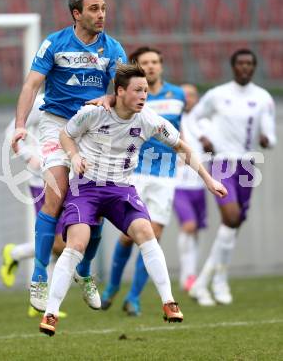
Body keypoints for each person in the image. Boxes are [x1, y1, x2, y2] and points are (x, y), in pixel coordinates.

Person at [39, 64, 227, 336]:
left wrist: (209, 180)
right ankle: (51, 313)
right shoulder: (93, 112)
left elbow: (182, 147)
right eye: (138, 90)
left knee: (145, 233)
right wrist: (75, 156)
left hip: (121, 190)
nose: (143, 96)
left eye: (146, 91)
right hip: (86, 188)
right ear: (120, 91)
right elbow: (66, 135)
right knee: (76, 244)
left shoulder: (148, 119)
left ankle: (169, 301)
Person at [11, 0, 127, 312]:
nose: (101, 14)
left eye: (103, 8)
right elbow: (31, 84)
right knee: (56, 194)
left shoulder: (113, 48)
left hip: (94, 130)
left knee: (99, 205)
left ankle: (85, 272)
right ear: (77, 14)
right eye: (93, 9)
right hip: (56, 125)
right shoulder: (54, 43)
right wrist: (21, 124)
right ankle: (38, 276)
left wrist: (110, 97)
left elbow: (124, 87)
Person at [101, 47, 186, 316]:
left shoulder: (178, 95)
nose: (150, 66)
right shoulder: (132, 95)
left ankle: (134, 297)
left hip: (166, 175)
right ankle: (112, 286)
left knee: (154, 235)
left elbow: (177, 132)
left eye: (155, 62)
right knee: (129, 236)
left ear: (161, 66)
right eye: (145, 62)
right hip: (134, 171)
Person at [188, 49, 277, 306]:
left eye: (250, 63)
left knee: (234, 225)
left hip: (247, 164)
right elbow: (195, 118)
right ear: (233, 66)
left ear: (255, 67)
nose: (245, 67)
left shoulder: (263, 98)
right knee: (231, 216)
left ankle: (203, 283)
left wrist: (266, 139)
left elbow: (270, 135)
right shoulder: (218, 95)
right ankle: (219, 281)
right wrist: (204, 137)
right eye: (241, 63)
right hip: (221, 161)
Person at [0, 94, 66, 318]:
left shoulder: (82, 97)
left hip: (71, 178)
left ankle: (17, 255)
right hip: (42, 179)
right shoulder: (41, 101)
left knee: (63, 244)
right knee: (56, 243)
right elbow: (11, 131)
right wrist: (29, 156)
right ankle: (42, 300)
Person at [174, 84, 210, 292]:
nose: (189, 99)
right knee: (189, 226)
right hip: (179, 184)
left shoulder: (204, 121)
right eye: (185, 95)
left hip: (199, 185)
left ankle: (190, 275)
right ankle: (188, 275)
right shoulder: (172, 120)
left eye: (192, 95)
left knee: (194, 231)